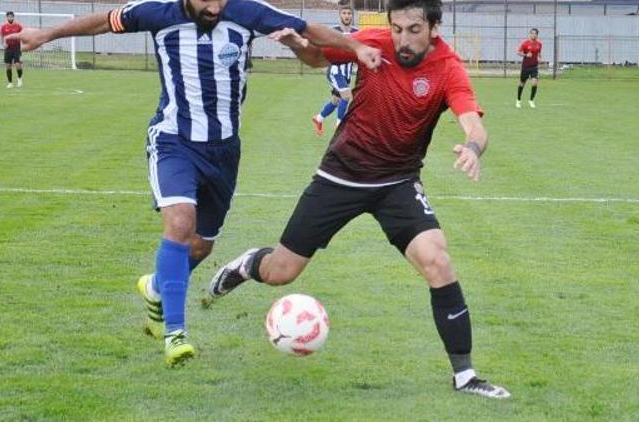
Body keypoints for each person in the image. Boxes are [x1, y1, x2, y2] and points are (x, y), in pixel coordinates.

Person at [7, 0, 381, 367]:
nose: (215, 7)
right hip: (173, 140)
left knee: (202, 245)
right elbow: (103, 21)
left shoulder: (246, 11)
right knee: (180, 223)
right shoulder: (156, 13)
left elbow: (307, 29)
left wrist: (356, 45)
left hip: (224, 150)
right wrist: (45, 34)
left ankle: (157, 287)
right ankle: (175, 334)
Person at [208, 0, 510, 399]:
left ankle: (465, 376)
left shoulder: (448, 68)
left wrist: (472, 148)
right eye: (397, 28)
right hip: (340, 175)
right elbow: (318, 57)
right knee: (282, 271)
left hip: (397, 182)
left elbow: (474, 124)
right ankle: (249, 264)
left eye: (414, 30)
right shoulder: (373, 41)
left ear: (435, 27)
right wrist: (297, 45)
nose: (402, 39)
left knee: (438, 260)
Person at [311, 3, 358, 136]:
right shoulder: (333, 31)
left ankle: (319, 118)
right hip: (335, 72)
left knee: (336, 100)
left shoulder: (356, 32)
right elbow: (322, 48)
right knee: (347, 95)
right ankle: (340, 126)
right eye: (344, 13)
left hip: (347, 72)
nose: (347, 16)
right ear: (340, 15)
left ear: (352, 16)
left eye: (349, 13)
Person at [515, 27, 541, 109]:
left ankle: (531, 100)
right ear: (530, 34)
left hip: (534, 66)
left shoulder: (539, 44)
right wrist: (525, 55)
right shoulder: (525, 43)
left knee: (534, 82)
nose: (533, 35)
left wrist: (540, 58)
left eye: (535, 34)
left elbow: (539, 53)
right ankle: (518, 100)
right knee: (522, 83)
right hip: (526, 66)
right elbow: (518, 52)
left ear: (537, 35)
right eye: (532, 33)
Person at [0, 12, 24, 88]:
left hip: (17, 47)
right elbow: (2, 36)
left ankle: (19, 79)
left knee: (17, 64)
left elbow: (23, 34)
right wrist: (3, 43)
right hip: (8, 48)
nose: (10, 18)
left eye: (11, 16)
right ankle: (10, 83)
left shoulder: (18, 26)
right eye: (8, 17)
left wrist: (23, 44)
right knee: (8, 65)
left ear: (13, 17)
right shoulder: (4, 26)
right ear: (7, 17)